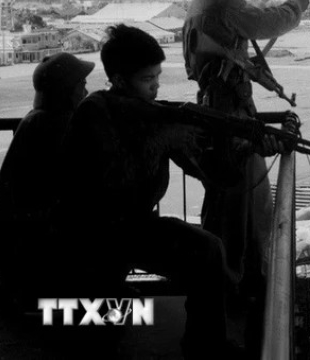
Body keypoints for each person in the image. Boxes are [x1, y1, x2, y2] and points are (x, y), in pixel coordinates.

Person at [52, 25, 233, 359]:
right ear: (119, 81)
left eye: (157, 77)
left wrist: (241, 149)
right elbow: (110, 182)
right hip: (91, 234)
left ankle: (206, 346)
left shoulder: (151, 115)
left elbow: (205, 170)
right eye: (147, 79)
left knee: (209, 250)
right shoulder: (94, 112)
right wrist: (163, 139)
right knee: (95, 339)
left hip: (132, 227)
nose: (155, 86)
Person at [181, 0, 309, 301]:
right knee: (248, 217)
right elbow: (271, 23)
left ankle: (233, 290)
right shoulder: (223, 7)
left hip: (219, 119)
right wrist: (297, 6)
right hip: (232, 126)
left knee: (228, 215)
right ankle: (244, 297)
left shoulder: (198, 8)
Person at [0, 53, 94, 314]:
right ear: (67, 91)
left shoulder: (37, 120)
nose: (86, 91)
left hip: (12, 245)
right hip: (30, 249)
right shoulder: (57, 127)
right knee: (120, 314)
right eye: (81, 85)